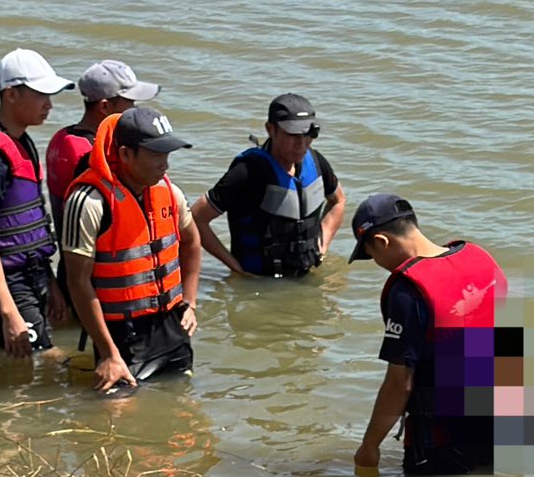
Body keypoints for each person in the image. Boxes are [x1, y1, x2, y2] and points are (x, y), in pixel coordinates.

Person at [350, 193, 508, 477]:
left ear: (382, 241)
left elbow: (400, 384)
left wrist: (369, 446)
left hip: (444, 437)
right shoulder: (480, 258)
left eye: (371, 255)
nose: (378, 263)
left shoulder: (407, 291)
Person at [60, 106, 202, 392]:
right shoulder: (88, 202)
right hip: (123, 337)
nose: (165, 164)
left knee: (183, 412)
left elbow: (192, 243)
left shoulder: (169, 193)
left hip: (172, 330)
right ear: (125, 154)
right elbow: (77, 282)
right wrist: (109, 353)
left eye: (168, 154)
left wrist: (190, 301)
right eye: (156, 154)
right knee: (120, 423)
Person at [0, 48, 71, 360]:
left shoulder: (22, 141)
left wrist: (49, 281)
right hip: (5, 281)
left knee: (40, 367)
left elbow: (31, 225)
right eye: (40, 94)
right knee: (45, 360)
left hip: (32, 272)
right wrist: (8, 313)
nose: (49, 104)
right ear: (11, 95)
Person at [192, 93, 346, 278]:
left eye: (308, 134)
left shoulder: (316, 162)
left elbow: (338, 201)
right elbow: (196, 218)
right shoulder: (248, 172)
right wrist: (236, 269)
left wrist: (322, 246)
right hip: (258, 285)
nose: (301, 144)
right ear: (271, 130)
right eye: (292, 135)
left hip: (306, 278)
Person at [46, 59, 161, 213]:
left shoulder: (60, 137)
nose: (135, 109)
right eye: (130, 102)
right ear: (104, 106)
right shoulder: (93, 152)